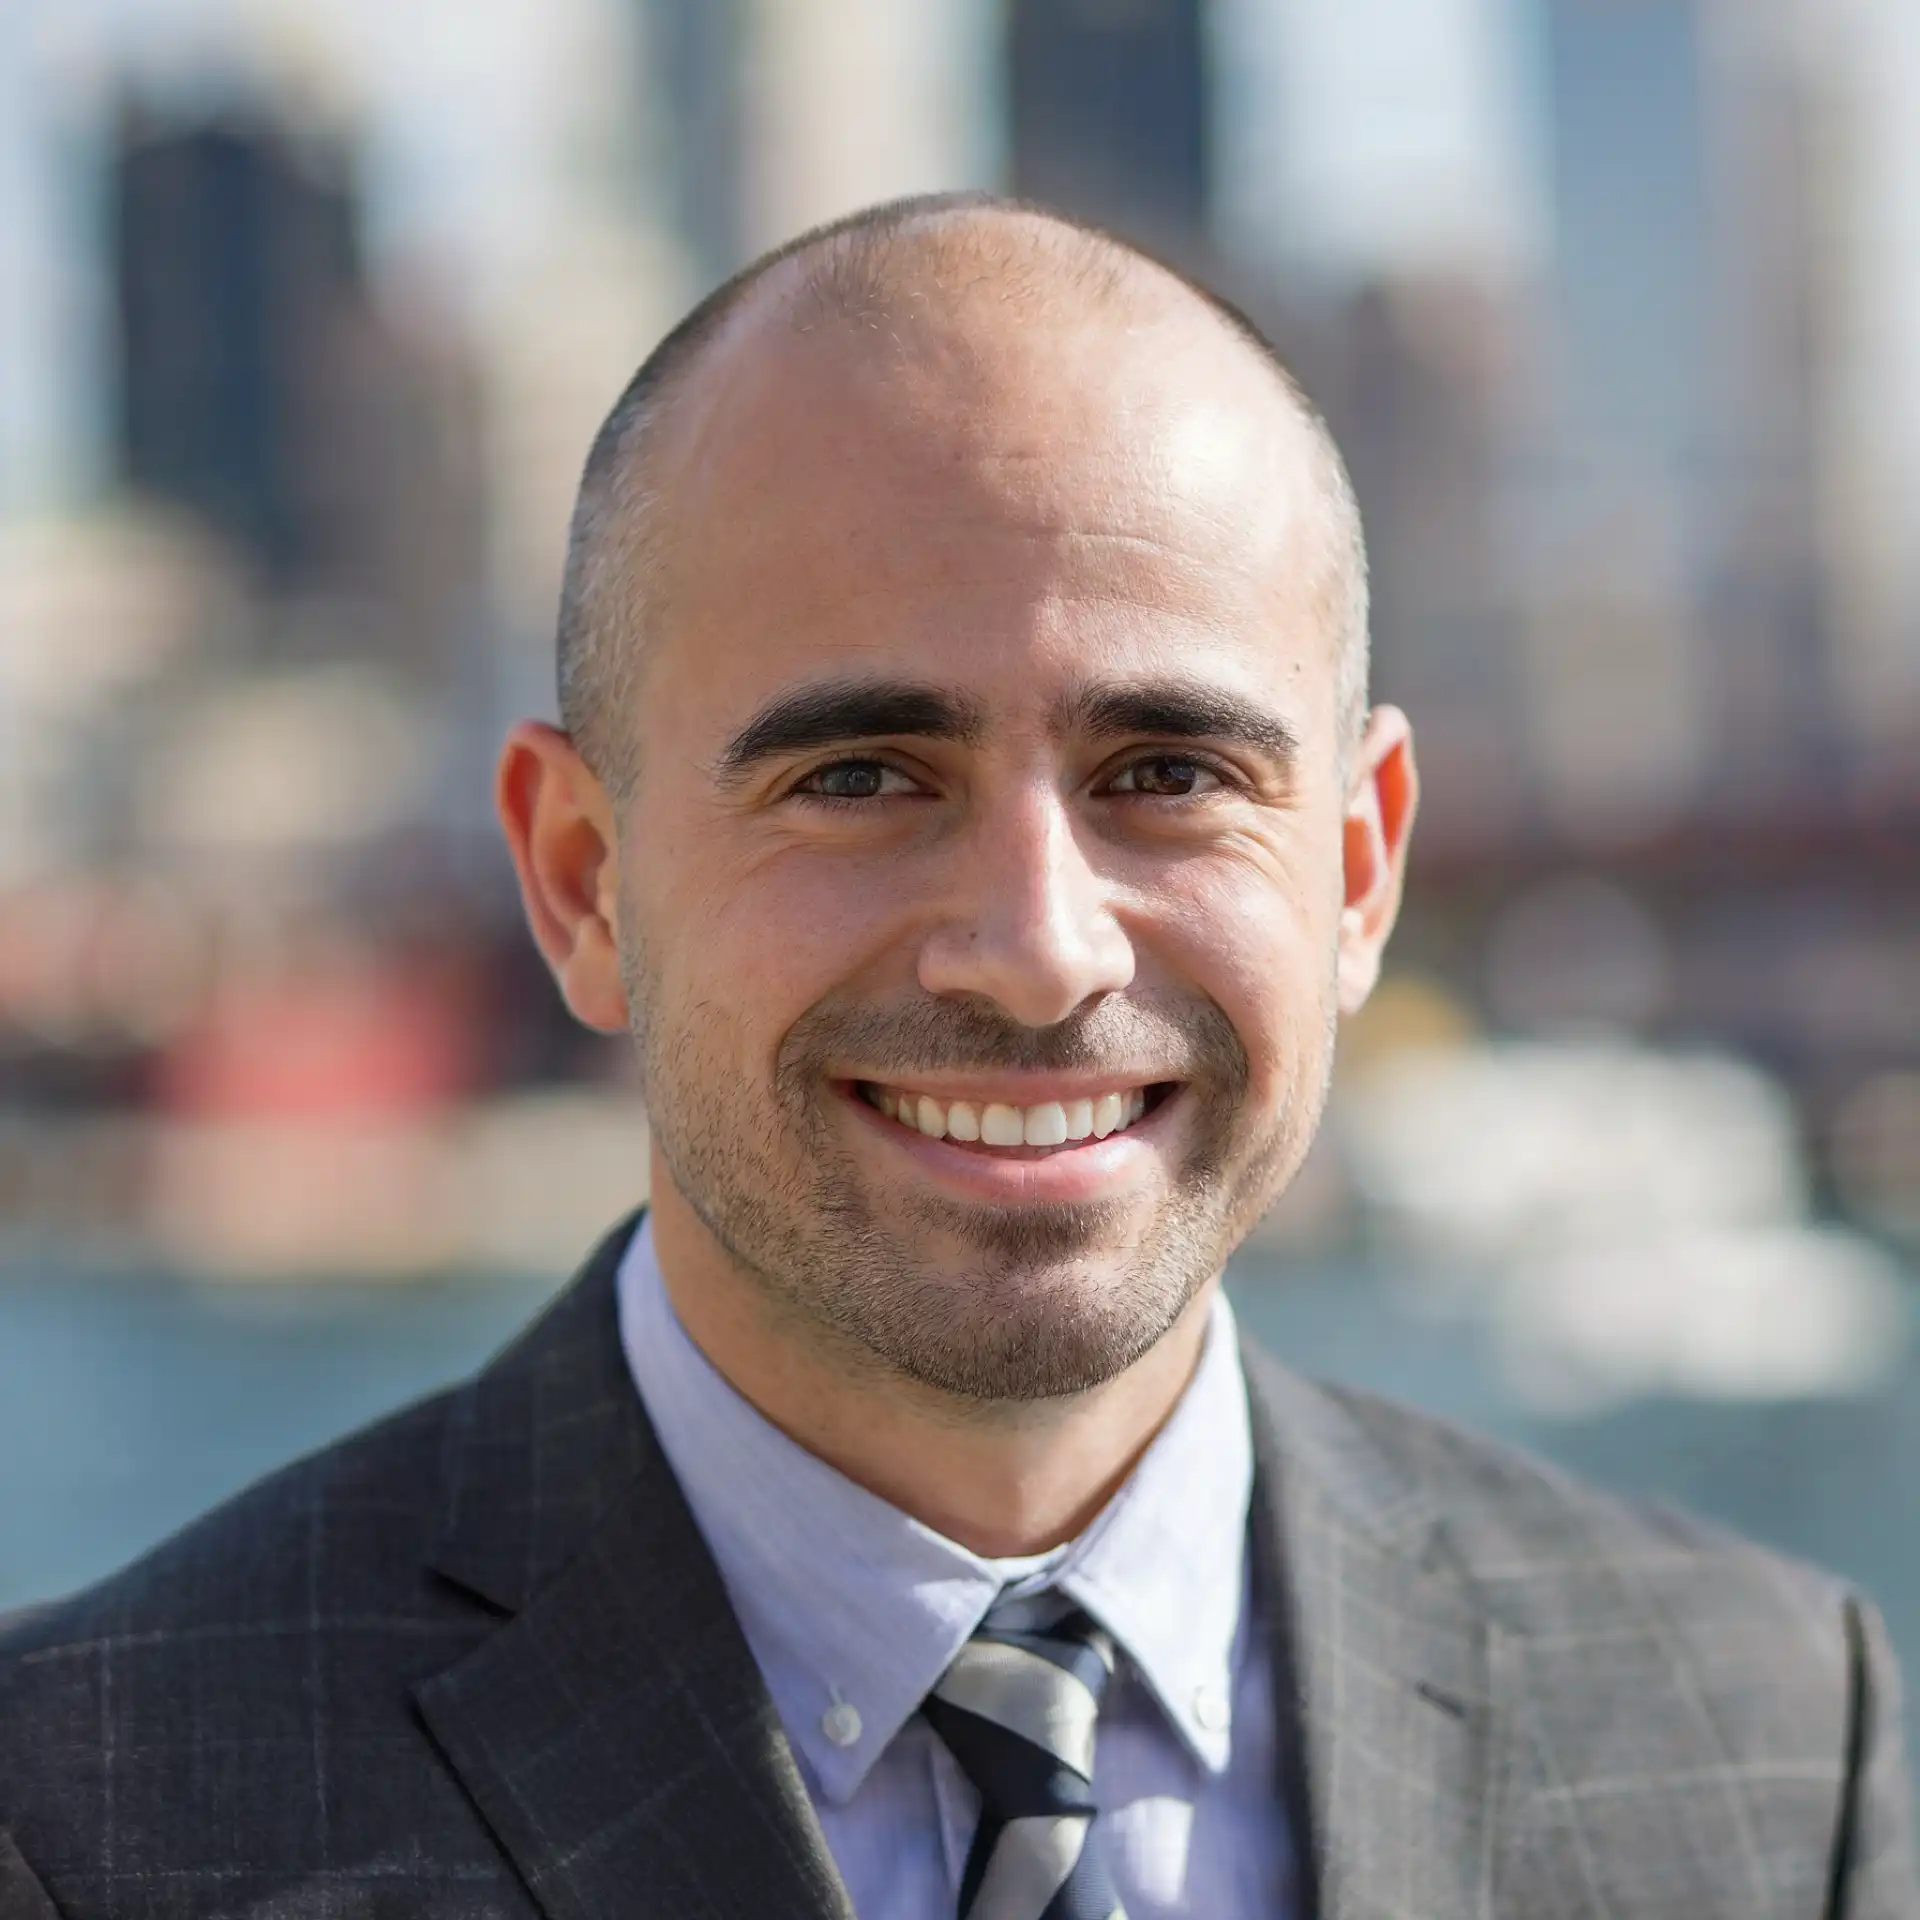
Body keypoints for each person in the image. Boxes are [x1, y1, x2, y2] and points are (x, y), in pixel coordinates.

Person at [1, 193, 1912, 1920]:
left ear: (1355, 870)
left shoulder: (1768, 1749)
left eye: (1168, 774)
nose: (1037, 949)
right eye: (858, 776)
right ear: (585, 881)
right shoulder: (86, 1821)